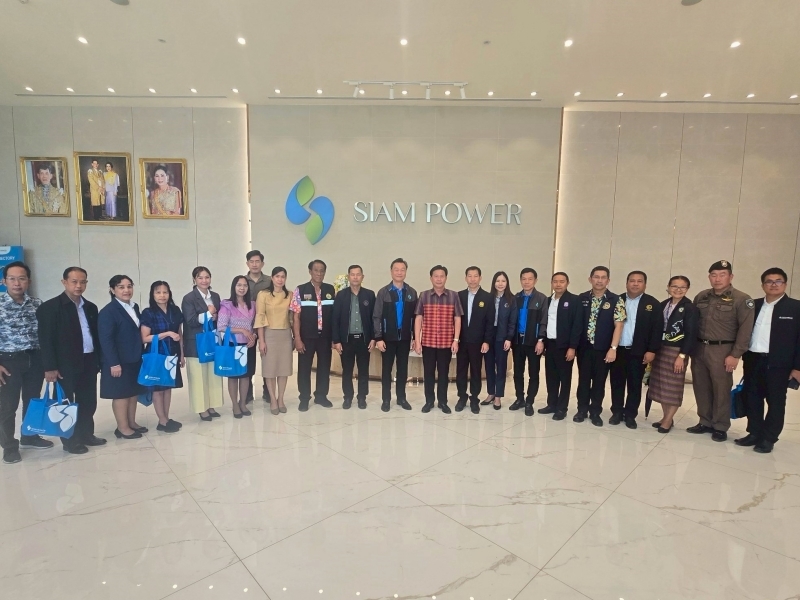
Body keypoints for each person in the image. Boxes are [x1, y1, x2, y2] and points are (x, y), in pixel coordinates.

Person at [37, 267, 106, 454]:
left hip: (88, 361)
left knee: (88, 401)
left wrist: (99, 361)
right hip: (64, 365)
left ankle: (86, 434)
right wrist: (50, 367)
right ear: (64, 282)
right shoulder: (50, 308)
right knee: (66, 403)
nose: (78, 285)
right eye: (74, 281)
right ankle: (71, 441)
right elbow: (45, 340)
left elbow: (95, 336)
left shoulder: (90, 307)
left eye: (82, 282)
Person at [735, 268, 800, 453]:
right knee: (752, 397)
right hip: (753, 359)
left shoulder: (795, 307)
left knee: (775, 401)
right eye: (769, 281)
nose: (773, 284)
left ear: (785, 284)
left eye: (778, 281)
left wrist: (797, 367)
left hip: (779, 363)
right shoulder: (753, 305)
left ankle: (769, 438)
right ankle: (754, 433)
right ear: (763, 285)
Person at [688, 260, 754, 442]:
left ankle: (720, 426)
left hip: (723, 350)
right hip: (699, 348)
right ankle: (705, 421)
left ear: (731, 277)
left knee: (721, 389)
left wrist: (735, 354)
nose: (717, 279)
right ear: (709, 277)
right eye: (714, 275)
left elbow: (745, 330)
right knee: (701, 387)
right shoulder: (701, 297)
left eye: (722, 275)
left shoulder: (741, 299)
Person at [0, 262, 51, 464]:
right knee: (8, 405)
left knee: (32, 400)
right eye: (12, 278)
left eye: (21, 278)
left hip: (35, 358)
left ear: (28, 281)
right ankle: (9, 447)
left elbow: (45, 334)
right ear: (4, 281)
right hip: (8, 361)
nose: (17, 283)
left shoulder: (37, 304)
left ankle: (29, 436)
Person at [608, 271, 663, 429]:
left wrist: (652, 350)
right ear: (626, 283)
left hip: (638, 352)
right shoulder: (617, 300)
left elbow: (657, 329)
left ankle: (630, 415)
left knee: (635, 385)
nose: (635, 284)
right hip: (618, 350)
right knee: (616, 383)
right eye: (632, 281)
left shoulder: (652, 304)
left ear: (645, 284)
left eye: (639, 281)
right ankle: (617, 412)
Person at [575, 266, 626, 426]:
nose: (599, 280)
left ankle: (595, 412)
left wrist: (613, 348)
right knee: (583, 381)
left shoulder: (616, 300)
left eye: (603, 277)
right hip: (584, 348)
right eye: (596, 277)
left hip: (604, 350)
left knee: (599, 382)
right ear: (590, 279)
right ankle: (581, 410)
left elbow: (619, 326)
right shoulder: (582, 298)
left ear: (608, 280)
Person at [649, 276, 698, 433]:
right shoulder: (663, 304)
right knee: (662, 387)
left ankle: (668, 420)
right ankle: (666, 417)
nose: (678, 290)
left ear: (687, 289)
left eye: (682, 287)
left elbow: (691, 334)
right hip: (662, 349)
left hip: (677, 351)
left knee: (673, 388)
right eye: (674, 286)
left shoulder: (690, 308)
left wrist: (682, 356)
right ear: (668, 287)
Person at [98, 275, 145, 440]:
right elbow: (106, 340)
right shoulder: (108, 312)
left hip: (134, 358)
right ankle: (122, 428)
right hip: (118, 361)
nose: (126, 290)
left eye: (129, 286)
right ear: (112, 290)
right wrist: (114, 363)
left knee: (132, 392)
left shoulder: (134, 306)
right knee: (121, 394)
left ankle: (131, 422)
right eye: (121, 287)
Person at [415, 265, 463, 414]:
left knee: (443, 374)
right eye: (436, 276)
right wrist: (417, 340)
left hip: (446, 343)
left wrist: (456, 340)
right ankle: (429, 401)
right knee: (428, 373)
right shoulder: (423, 295)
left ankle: (443, 402)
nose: (439, 279)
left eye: (442, 276)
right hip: (428, 342)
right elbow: (418, 318)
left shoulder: (454, 296)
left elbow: (457, 318)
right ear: (431, 278)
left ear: (446, 278)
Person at [290, 259, 336, 411]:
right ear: (310, 271)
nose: (319, 273)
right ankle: (304, 398)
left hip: (325, 338)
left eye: (322, 270)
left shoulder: (330, 289)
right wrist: (297, 338)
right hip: (306, 338)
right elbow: (296, 317)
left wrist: (334, 338)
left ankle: (321, 396)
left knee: (324, 368)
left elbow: (335, 316)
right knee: (304, 369)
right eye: (316, 270)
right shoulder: (300, 290)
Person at [373, 258, 418, 412]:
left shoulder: (411, 292)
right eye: (396, 269)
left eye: (402, 269)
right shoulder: (383, 292)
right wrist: (378, 338)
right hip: (387, 339)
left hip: (404, 338)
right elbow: (377, 316)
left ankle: (401, 398)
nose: (399, 272)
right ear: (391, 272)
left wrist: (414, 337)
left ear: (406, 272)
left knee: (402, 369)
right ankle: (386, 399)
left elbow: (416, 318)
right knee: (386, 370)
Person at [140, 281, 184, 434]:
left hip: (172, 353)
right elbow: (144, 338)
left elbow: (179, 333)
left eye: (165, 292)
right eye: (158, 292)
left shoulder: (175, 310)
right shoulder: (148, 312)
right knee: (158, 389)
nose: (162, 295)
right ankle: (162, 420)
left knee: (167, 386)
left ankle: (166, 418)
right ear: (152, 295)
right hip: (156, 354)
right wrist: (167, 334)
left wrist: (182, 354)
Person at [181, 266, 224, 421]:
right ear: (194, 279)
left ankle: (212, 405)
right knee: (198, 377)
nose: (204, 280)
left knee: (213, 375)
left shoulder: (215, 296)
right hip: (196, 342)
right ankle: (202, 408)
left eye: (207, 277)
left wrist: (215, 316)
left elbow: (218, 318)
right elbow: (191, 320)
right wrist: (209, 313)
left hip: (212, 340)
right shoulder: (189, 298)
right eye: (200, 277)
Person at [539, 272, 582, 420]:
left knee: (565, 378)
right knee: (551, 377)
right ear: (551, 283)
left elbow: (577, 325)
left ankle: (562, 408)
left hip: (565, 346)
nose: (558, 284)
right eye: (555, 281)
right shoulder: (548, 300)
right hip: (550, 344)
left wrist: (572, 347)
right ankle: (551, 404)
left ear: (567, 283)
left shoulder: (574, 300)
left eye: (562, 281)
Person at [333, 265, 376, 409]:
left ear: (362, 277)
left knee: (363, 370)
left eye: (358, 274)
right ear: (348, 277)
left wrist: (373, 338)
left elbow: (374, 318)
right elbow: (335, 319)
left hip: (364, 339)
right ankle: (348, 397)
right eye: (353, 274)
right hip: (346, 340)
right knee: (347, 371)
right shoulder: (341, 295)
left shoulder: (369, 295)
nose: (355, 277)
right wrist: (336, 340)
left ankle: (362, 397)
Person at [510, 268, 548, 416]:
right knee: (518, 372)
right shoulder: (515, 298)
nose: (526, 282)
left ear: (535, 280)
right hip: (518, 341)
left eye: (530, 279)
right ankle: (519, 398)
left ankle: (529, 401)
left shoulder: (542, 298)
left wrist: (541, 339)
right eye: (524, 279)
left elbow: (544, 321)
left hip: (534, 342)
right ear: (520, 280)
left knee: (533, 373)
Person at [456, 266, 494, 414]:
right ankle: (462, 397)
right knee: (461, 370)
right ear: (465, 278)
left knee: (476, 371)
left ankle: (474, 399)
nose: (472, 279)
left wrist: (486, 341)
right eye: (469, 276)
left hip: (478, 342)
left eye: (475, 276)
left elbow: (490, 322)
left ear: (480, 278)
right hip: (462, 341)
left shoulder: (488, 297)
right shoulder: (459, 296)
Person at [255, 267, 293, 415]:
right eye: (277, 276)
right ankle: (272, 399)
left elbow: (293, 317)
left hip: (285, 335)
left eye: (283, 276)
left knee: (284, 369)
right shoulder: (263, 294)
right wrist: (262, 341)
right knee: (270, 369)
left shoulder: (290, 295)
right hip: (269, 334)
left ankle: (281, 399)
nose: (280, 279)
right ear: (272, 278)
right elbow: (260, 316)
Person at [218, 276, 257, 418]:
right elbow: (221, 327)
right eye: (239, 285)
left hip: (249, 344)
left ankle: (243, 403)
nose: (242, 288)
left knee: (246, 375)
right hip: (233, 344)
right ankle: (235, 404)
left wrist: (254, 336)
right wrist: (242, 330)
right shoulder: (227, 305)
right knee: (234, 376)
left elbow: (255, 325)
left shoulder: (253, 304)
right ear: (234, 287)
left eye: (245, 285)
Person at [482, 271, 517, 410]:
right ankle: (491, 393)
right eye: (497, 281)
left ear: (507, 283)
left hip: (503, 337)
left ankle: (498, 396)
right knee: (489, 366)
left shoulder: (511, 299)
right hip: (489, 336)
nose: (500, 284)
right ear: (493, 283)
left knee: (501, 367)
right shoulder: (488, 298)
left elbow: (512, 321)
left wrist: (509, 338)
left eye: (503, 281)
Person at [245, 251, 272, 404]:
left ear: (262, 263)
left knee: (267, 359)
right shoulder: (242, 281)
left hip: (266, 326)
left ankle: (268, 391)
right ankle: (247, 392)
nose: (254, 264)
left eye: (257, 261)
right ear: (247, 263)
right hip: (247, 327)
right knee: (248, 361)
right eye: (251, 261)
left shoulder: (269, 281)